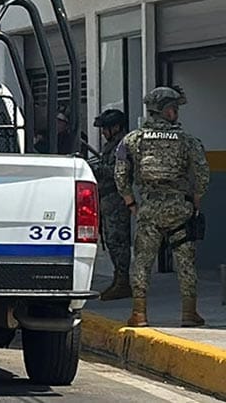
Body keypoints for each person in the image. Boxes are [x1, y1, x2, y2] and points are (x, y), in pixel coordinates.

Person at [114, 87, 210, 327]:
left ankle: (139, 314)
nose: (175, 112)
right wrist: (196, 199)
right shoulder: (187, 140)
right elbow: (202, 173)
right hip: (180, 209)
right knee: (186, 261)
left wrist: (130, 202)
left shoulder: (133, 139)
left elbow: (120, 173)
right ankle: (189, 313)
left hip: (148, 209)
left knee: (143, 261)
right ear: (164, 110)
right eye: (173, 108)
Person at [91, 109, 132, 301]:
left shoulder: (123, 145)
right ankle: (118, 280)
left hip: (116, 199)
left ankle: (122, 282)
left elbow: (118, 171)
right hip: (107, 198)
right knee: (111, 241)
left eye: (105, 128)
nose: (102, 132)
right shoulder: (112, 145)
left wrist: (95, 168)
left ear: (115, 127)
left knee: (118, 242)